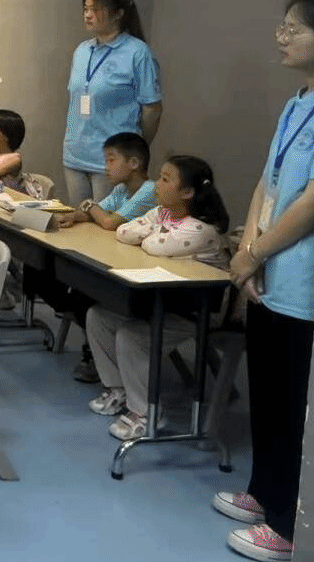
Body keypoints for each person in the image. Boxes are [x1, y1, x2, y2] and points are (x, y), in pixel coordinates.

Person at [213, 0, 314, 562]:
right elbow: (267, 182)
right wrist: (248, 250)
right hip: (266, 270)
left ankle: (289, 525)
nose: (281, 36)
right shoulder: (297, 101)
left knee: (294, 405)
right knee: (267, 392)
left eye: (295, 29)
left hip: (301, 279)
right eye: (283, 26)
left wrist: (256, 255)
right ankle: (264, 492)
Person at [84, 155, 229, 440]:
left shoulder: (201, 229)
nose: (157, 185)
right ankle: (118, 389)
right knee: (98, 316)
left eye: (165, 179)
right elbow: (124, 231)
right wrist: (151, 230)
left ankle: (146, 412)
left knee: (132, 336)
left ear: (187, 192)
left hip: (198, 310)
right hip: (165, 300)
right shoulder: (163, 213)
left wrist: (149, 232)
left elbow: (154, 245)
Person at [45, 131, 158, 382]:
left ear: (134, 163)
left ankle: (97, 354)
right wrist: (76, 215)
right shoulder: (121, 189)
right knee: (60, 281)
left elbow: (108, 222)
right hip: (118, 259)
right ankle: (95, 348)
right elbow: (94, 212)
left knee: (84, 293)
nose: (106, 166)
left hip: (138, 273)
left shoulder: (149, 190)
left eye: (111, 160)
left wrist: (87, 204)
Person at [62, 0, 163, 206]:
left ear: (118, 13)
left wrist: (134, 148)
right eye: (86, 9)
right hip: (75, 154)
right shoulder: (82, 50)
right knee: (76, 222)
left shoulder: (138, 53)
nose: (88, 15)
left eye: (96, 9)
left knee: (104, 223)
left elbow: (152, 109)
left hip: (111, 162)